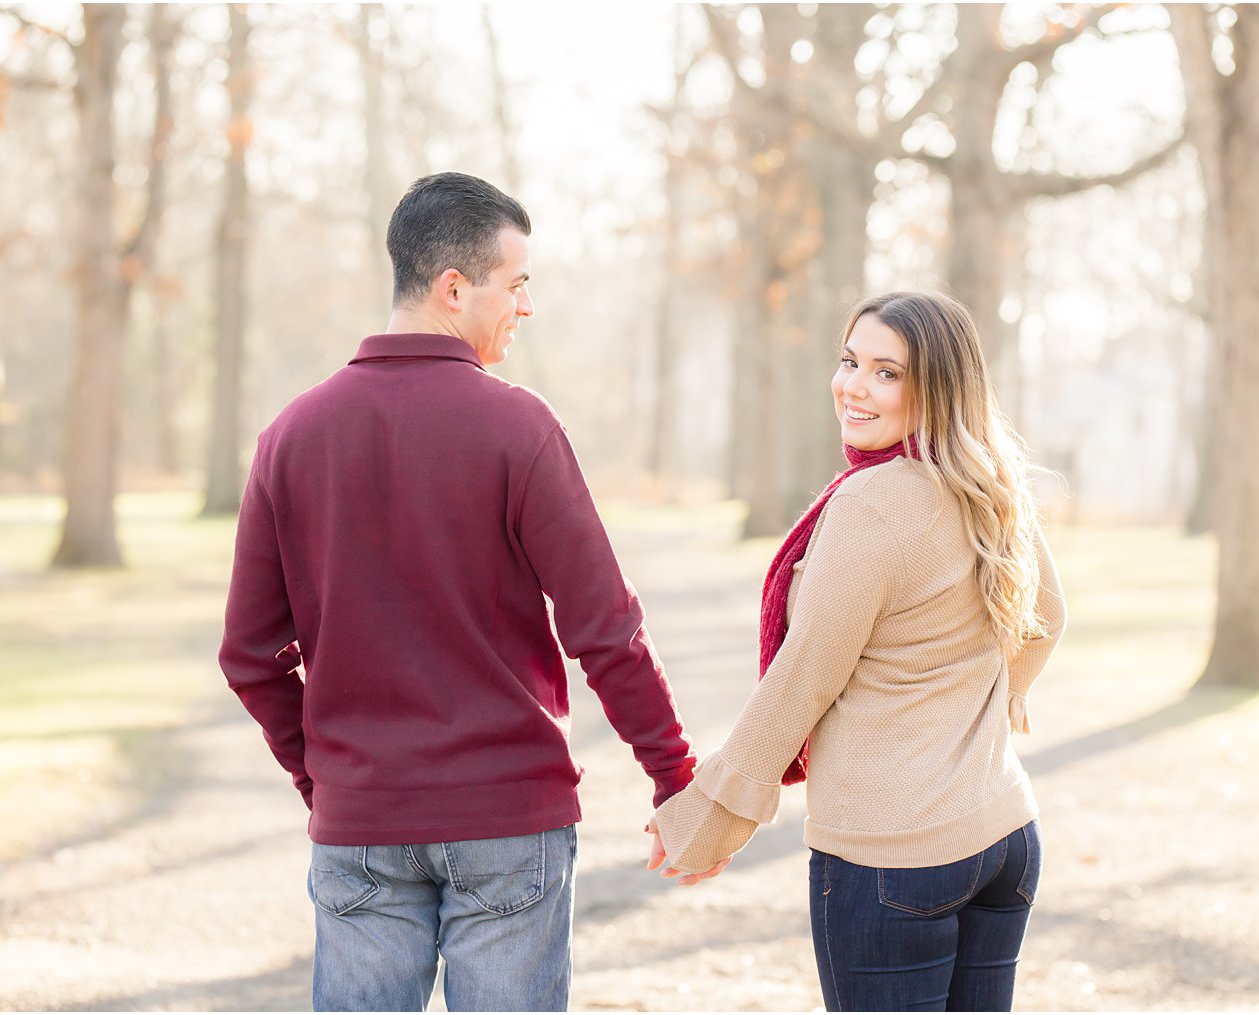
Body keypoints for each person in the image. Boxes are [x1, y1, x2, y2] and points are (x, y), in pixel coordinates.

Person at [219, 171, 697, 1013]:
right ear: (453, 287)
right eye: (516, 284)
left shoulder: (289, 437)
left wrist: (325, 779)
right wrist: (672, 773)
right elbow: (606, 630)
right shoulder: (519, 429)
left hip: (362, 821)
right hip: (509, 821)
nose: (526, 305)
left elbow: (250, 656)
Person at [648, 290, 1066, 1012]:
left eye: (887, 372)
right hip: (1003, 832)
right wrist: (981, 713)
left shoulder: (872, 504)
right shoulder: (989, 481)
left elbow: (802, 679)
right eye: (850, 362)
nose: (854, 386)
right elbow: (1047, 617)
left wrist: (709, 818)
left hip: (894, 861)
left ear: (936, 386)